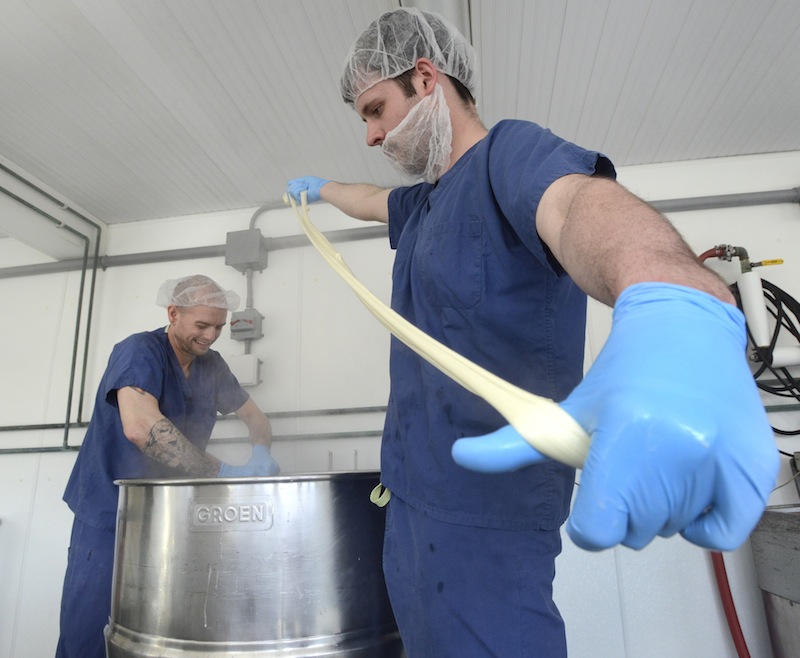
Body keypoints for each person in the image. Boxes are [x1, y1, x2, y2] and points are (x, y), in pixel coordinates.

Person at [287, 7, 778, 657]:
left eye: (375, 110)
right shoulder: (421, 204)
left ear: (426, 78)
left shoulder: (506, 157)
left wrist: (675, 298)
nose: (372, 136)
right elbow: (370, 199)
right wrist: (319, 190)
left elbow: (579, 204)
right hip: (409, 499)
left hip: (486, 516)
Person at [56, 274, 280, 658]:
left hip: (170, 518)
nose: (210, 335)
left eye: (219, 327)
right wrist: (221, 473)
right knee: (92, 627)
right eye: (201, 325)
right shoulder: (139, 351)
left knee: (157, 630)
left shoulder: (212, 366)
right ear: (173, 313)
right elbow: (141, 427)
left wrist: (261, 452)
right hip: (111, 513)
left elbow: (255, 418)